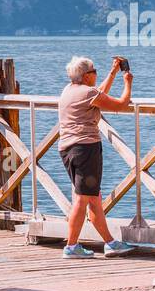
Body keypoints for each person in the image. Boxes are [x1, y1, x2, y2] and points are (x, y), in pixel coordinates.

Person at [57, 56, 136, 259]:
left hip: (68, 149)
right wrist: (127, 83)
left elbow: (98, 94)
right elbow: (121, 105)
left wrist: (112, 72)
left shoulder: (70, 90)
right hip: (85, 149)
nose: (96, 73)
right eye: (94, 71)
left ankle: (110, 243)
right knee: (83, 199)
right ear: (86, 76)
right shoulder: (88, 92)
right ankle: (71, 246)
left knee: (93, 198)